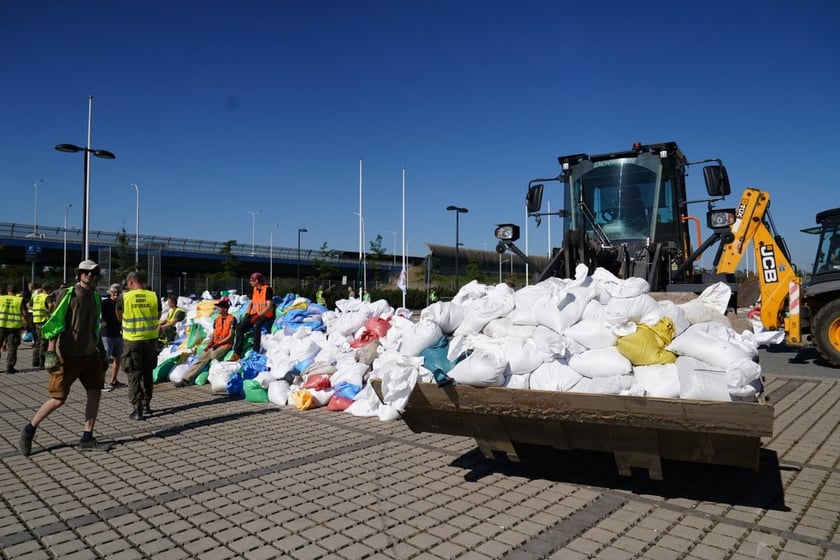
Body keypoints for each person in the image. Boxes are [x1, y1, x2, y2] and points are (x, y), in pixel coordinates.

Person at [18, 260, 107, 456]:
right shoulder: (68, 294)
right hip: (68, 355)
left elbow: (94, 327)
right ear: (79, 274)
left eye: (93, 272)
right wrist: (50, 352)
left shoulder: (95, 296)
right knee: (58, 399)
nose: (89, 275)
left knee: (95, 393)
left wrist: (102, 351)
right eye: (85, 272)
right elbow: (56, 322)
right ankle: (29, 429)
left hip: (90, 354)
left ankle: (87, 437)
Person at [117, 271, 160, 420]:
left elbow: (119, 315)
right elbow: (158, 315)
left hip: (132, 341)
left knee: (134, 374)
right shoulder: (153, 296)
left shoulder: (125, 296)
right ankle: (147, 405)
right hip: (150, 340)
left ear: (130, 282)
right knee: (147, 373)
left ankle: (137, 409)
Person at [174, 298, 236, 387]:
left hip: (225, 344)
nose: (217, 309)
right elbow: (214, 334)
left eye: (219, 308)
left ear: (225, 309)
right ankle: (186, 379)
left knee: (213, 355)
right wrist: (210, 344)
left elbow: (230, 336)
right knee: (201, 358)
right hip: (215, 344)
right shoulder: (217, 319)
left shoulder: (232, 319)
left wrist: (219, 344)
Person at [232, 272, 274, 359]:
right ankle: (237, 353)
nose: (250, 282)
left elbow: (269, 306)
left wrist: (258, 315)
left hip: (265, 314)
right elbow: (251, 303)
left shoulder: (267, 289)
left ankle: (256, 350)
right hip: (254, 314)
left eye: (252, 280)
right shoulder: (254, 289)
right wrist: (248, 313)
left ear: (257, 281)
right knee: (240, 327)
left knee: (256, 325)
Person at [101, 283, 124, 391]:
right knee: (105, 358)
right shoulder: (105, 303)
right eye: (113, 292)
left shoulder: (122, 303)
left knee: (118, 357)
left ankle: (114, 380)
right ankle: (101, 382)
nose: (116, 294)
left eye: (118, 292)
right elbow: (99, 315)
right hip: (107, 333)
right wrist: (103, 321)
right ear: (110, 292)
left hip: (117, 333)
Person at [0, 284, 27, 374]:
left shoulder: (1, 298)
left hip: (1, 325)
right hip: (14, 327)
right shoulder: (19, 300)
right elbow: (25, 313)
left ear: (7, 290)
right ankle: (10, 367)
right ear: (16, 291)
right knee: (12, 347)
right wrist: (28, 323)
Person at [30, 283, 53, 369]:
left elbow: (29, 305)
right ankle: (41, 362)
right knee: (44, 341)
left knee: (38, 341)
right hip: (44, 320)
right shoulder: (47, 297)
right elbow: (51, 306)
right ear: (48, 289)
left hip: (36, 320)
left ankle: (35, 361)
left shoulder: (36, 296)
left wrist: (34, 310)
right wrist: (49, 312)